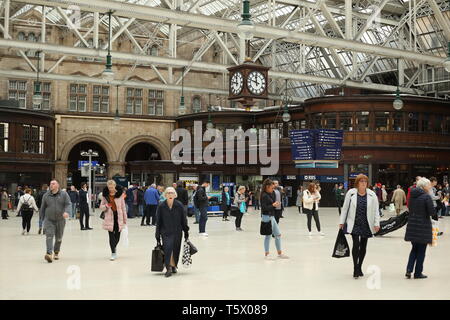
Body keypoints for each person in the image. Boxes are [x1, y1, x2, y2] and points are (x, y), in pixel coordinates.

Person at [339, 174, 380, 279]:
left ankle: (360, 266)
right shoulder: (351, 193)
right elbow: (345, 208)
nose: (363, 183)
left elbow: (376, 210)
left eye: (365, 181)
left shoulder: (372, 194)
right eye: (361, 181)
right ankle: (355, 268)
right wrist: (341, 221)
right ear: (357, 183)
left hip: (367, 224)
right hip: (354, 223)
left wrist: (377, 223)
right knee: (356, 245)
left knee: (363, 246)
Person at [155, 187, 189, 278]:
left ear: (175, 195)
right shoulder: (161, 206)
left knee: (175, 249)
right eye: (168, 193)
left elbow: (183, 219)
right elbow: (158, 221)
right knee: (167, 248)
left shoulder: (179, 205)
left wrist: (186, 231)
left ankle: (174, 265)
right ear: (165, 195)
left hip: (177, 231)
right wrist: (157, 235)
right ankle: (168, 267)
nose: (170, 194)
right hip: (165, 231)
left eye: (172, 193)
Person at [404, 177, 434, 279]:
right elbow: (431, 212)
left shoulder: (412, 196)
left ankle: (409, 269)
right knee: (421, 251)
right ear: (424, 186)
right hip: (423, 226)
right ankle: (417, 273)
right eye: (428, 185)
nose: (430, 187)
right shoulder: (426, 197)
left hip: (412, 225)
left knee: (414, 249)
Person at [39, 179, 71, 263]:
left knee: (59, 238)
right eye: (50, 184)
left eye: (53, 183)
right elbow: (42, 207)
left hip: (60, 220)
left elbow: (68, 204)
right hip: (49, 219)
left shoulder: (64, 194)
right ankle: (49, 253)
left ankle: (56, 252)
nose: (51, 185)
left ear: (58, 185)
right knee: (49, 236)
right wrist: (41, 220)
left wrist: (67, 212)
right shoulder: (46, 195)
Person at [260, 179, 289, 260]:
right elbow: (264, 208)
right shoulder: (264, 195)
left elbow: (272, 205)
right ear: (267, 186)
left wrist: (275, 205)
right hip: (266, 217)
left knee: (278, 234)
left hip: (272, 216)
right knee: (268, 236)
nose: (273, 189)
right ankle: (267, 254)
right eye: (272, 188)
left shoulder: (270, 194)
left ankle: (279, 253)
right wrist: (273, 205)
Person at [100, 180, 127, 261]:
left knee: (117, 236)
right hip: (109, 217)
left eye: (112, 187)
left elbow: (123, 207)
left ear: (115, 186)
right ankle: (113, 253)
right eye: (109, 187)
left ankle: (114, 248)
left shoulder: (120, 195)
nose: (110, 189)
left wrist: (125, 219)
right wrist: (106, 205)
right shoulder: (105, 196)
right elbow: (101, 207)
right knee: (111, 236)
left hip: (118, 217)